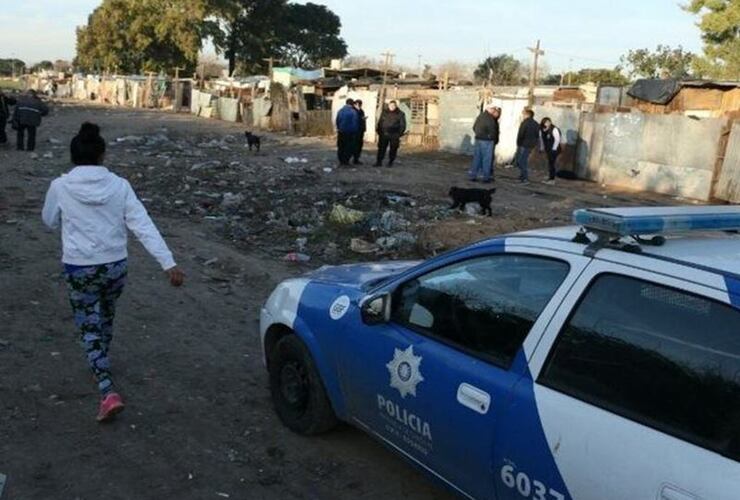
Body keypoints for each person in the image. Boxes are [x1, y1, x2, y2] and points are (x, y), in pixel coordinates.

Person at [42, 122, 185, 422]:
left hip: (80, 266)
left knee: (88, 325)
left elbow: (49, 221)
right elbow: (142, 225)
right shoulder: (120, 186)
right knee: (105, 317)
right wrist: (167, 262)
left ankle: (107, 390)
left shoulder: (60, 186)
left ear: (73, 157)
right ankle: (100, 359)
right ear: (102, 155)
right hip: (115, 266)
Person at [469, 103, 500, 183]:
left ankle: (473, 175)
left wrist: (479, 134)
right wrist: (492, 138)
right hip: (487, 141)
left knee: (477, 158)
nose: (494, 110)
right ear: (489, 109)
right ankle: (486, 177)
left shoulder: (480, 116)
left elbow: (474, 127)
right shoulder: (490, 118)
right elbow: (493, 131)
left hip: (478, 139)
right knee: (487, 159)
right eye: (493, 109)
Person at [374, 100, 406, 167]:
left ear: (396, 106)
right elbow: (380, 122)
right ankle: (379, 162)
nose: (392, 107)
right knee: (381, 148)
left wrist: (399, 134)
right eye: (390, 105)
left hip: (394, 135)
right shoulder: (384, 112)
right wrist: (379, 131)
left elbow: (403, 125)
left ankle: (390, 162)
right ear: (388, 105)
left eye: (393, 106)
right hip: (384, 134)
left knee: (393, 149)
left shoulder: (400, 114)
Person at [514, 108, 540, 184]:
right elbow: (537, 135)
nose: (523, 116)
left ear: (527, 115)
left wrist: (518, 143)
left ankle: (525, 178)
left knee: (521, 161)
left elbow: (521, 134)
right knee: (523, 160)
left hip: (523, 144)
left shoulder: (525, 123)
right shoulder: (536, 124)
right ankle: (522, 176)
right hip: (530, 145)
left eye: (524, 114)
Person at [335, 98, 360, 166]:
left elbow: (337, 121)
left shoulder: (340, 111)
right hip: (350, 133)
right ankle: (346, 161)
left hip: (341, 132)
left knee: (341, 147)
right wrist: (356, 132)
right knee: (348, 147)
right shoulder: (353, 112)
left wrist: (339, 128)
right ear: (352, 104)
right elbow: (355, 123)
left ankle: (341, 161)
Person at [540, 117, 562, 184]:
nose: (547, 123)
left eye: (548, 122)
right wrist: (542, 148)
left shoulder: (554, 129)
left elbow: (557, 139)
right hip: (548, 149)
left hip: (554, 149)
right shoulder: (543, 130)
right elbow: (542, 139)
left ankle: (552, 180)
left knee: (552, 164)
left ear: (550, 121)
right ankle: (550, 176)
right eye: (545, 122)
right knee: (550, 163)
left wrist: (554, 149)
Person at [352, 99, 367, 165]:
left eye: (360, 104)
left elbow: (362, 120)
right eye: (357, 104)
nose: (358, 106)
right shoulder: (352, 111)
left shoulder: (361, 111)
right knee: (353, 145)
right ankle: (349, 159)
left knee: (359, 146)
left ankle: (356, 159)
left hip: (360, 131)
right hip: (354, 131)